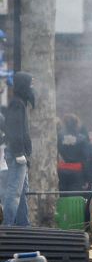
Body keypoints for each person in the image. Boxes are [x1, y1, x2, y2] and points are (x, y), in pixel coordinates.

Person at [1, 72, 34, 226]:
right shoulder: (17, 103)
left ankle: (23, 225)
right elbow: (15, 130)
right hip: (17, 154)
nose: (32, 86)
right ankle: (7, 226)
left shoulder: (19, 103)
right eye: (30, 83)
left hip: (20, 154)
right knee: (14, 192)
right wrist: (19, 153)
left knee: (21, 193)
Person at [57, 113, 89, 191]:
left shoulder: (59, 137)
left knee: (63, 194)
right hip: (77, 170)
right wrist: (87, 177)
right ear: (77, 124)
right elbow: (85, 158)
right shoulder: (82, 139)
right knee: (75, 194)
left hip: (62, 169)